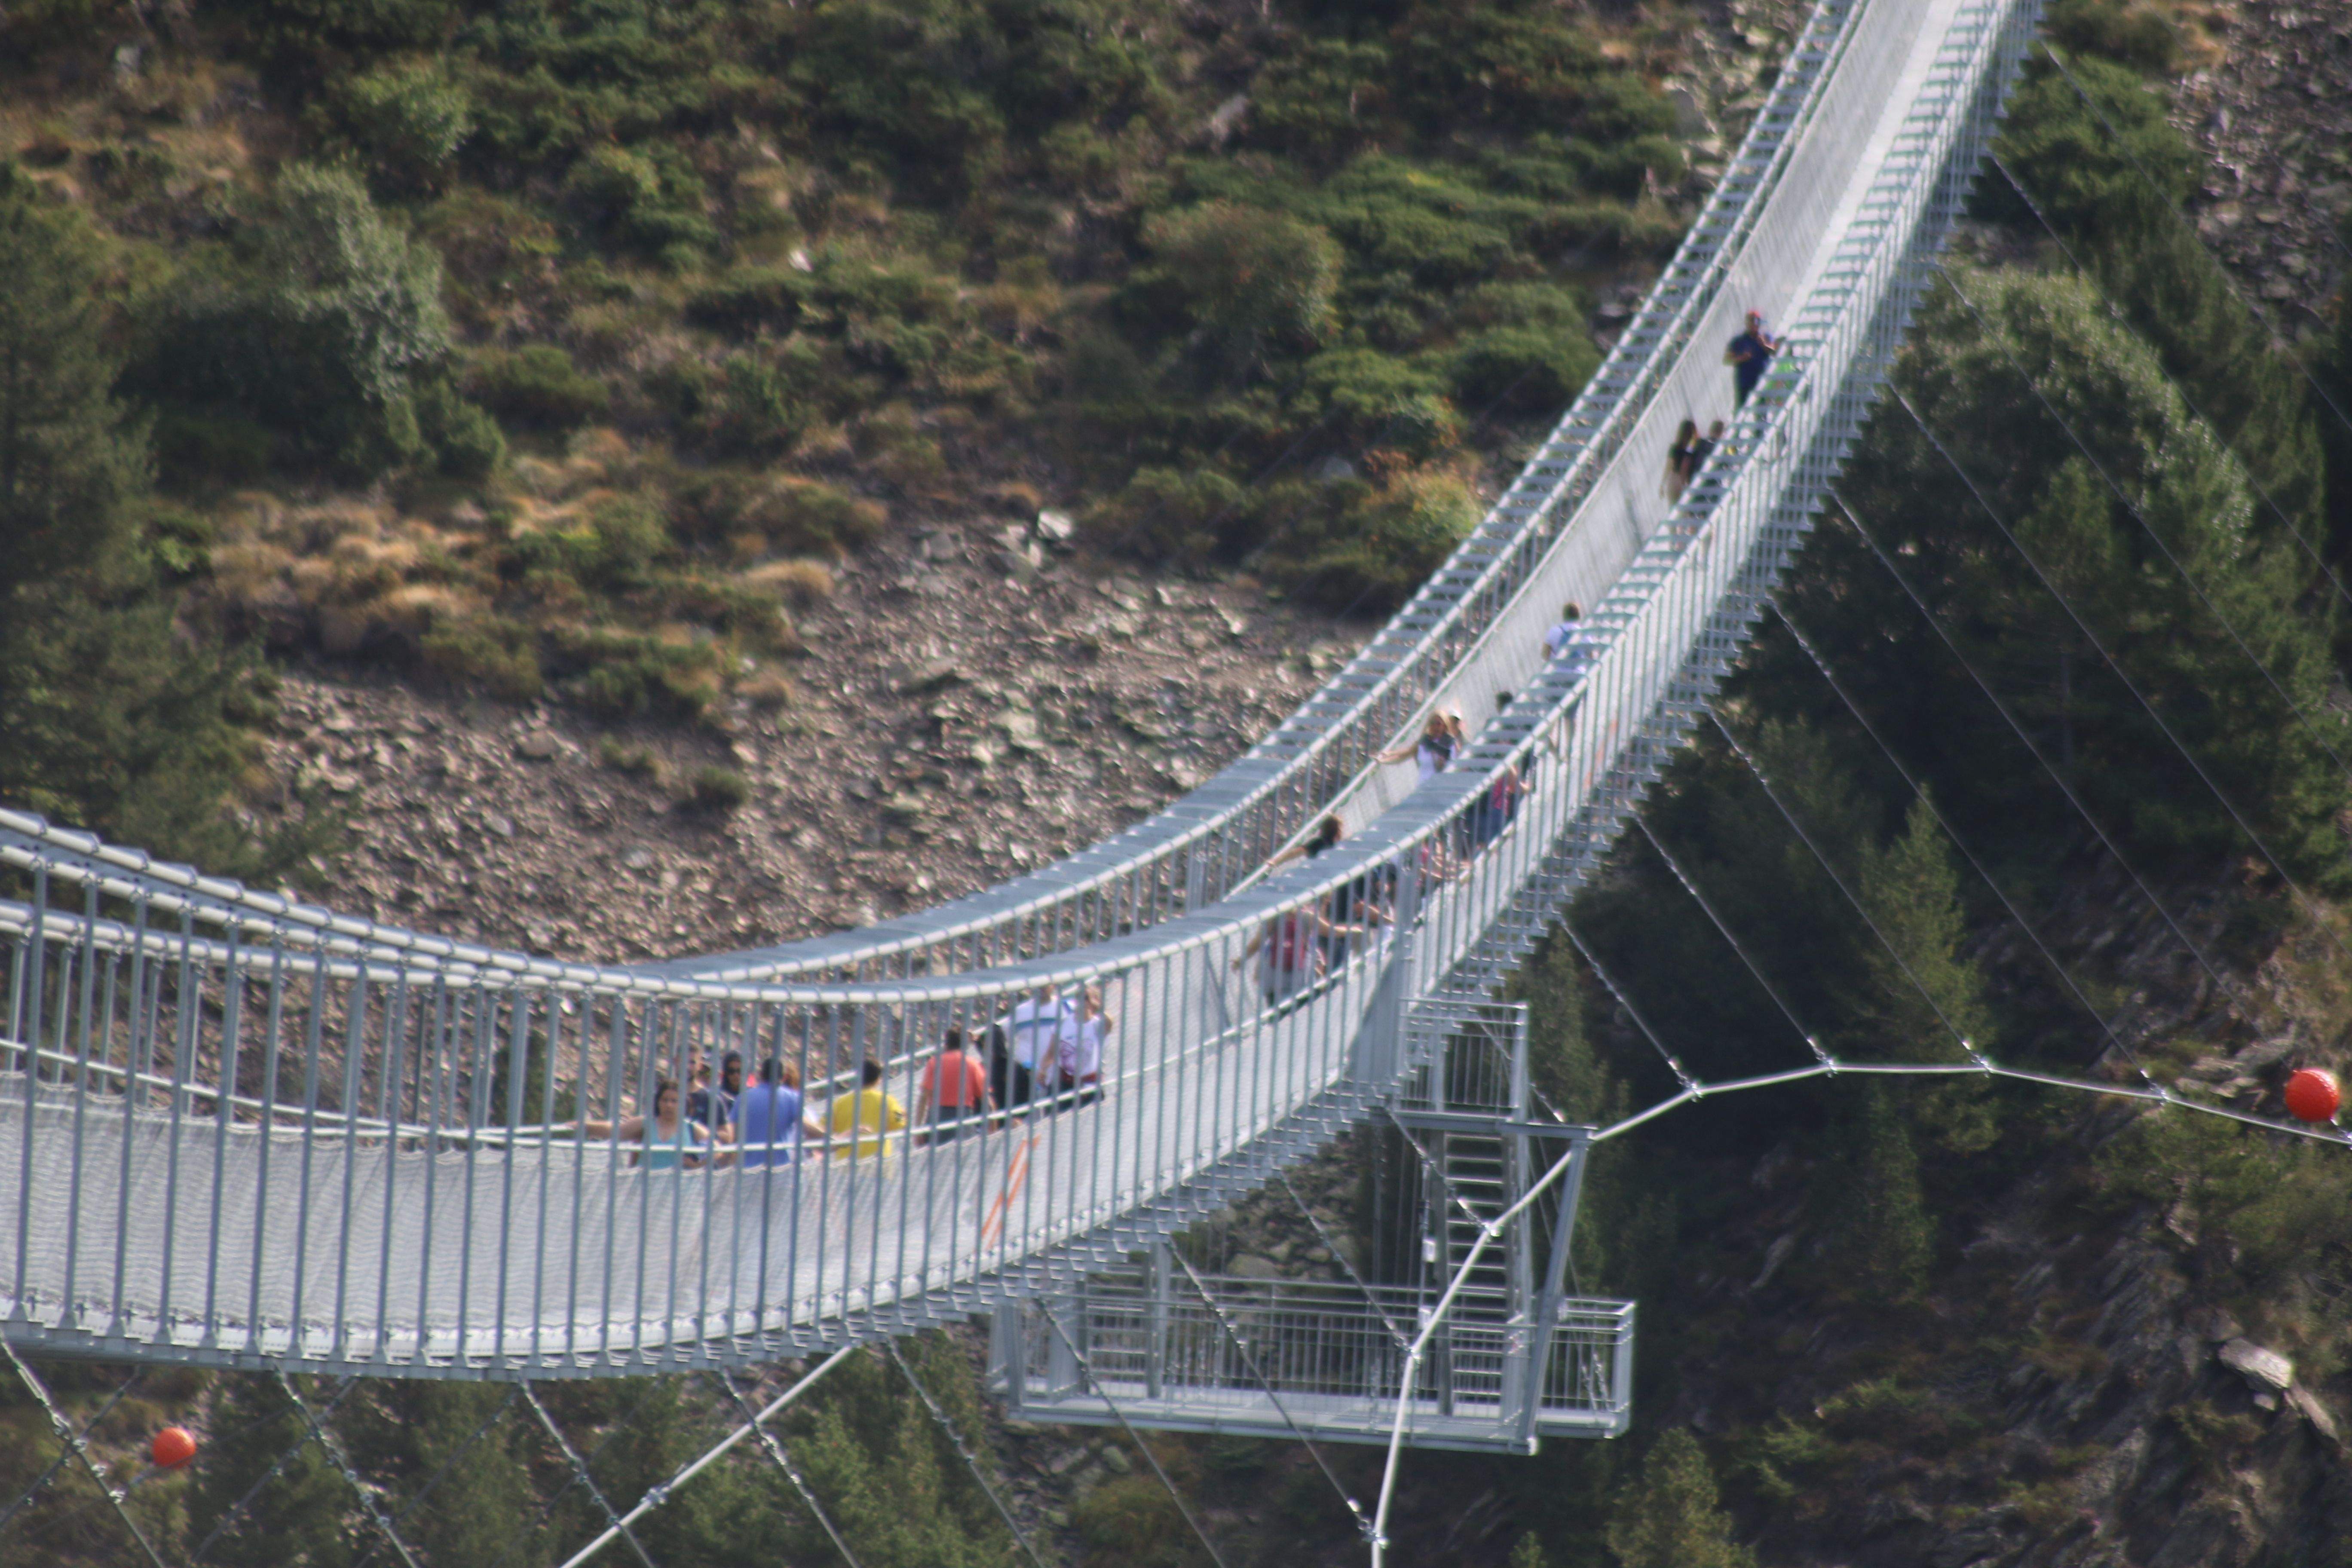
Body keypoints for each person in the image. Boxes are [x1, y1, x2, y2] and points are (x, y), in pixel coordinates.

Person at [583, 1078, 714, 1171]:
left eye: (674, 1101)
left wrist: (698, 1166)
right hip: (645, 1193)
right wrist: (583, 1126)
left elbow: (718, 1151)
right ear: (658, 1102)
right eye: (665, 1100)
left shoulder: (692, 1129)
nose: (669, 1105)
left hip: (678, 1196)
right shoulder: (645, 1124)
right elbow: (614, 1130)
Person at [733, 1056, 825, 1168]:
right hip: (779, 1169)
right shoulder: (792, 1098)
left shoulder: (743, 1098)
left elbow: (733, 1133)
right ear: (784, 1077)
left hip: (747, 1169)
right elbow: (806, 1126)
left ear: (761, 1075)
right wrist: (831, 1139)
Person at [917, 1025, 993, 1143]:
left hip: (937, 1120)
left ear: (946, 1043)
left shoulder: (935, 1063)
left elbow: (923, 1098)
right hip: (963, 1121)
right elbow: (988, 1103)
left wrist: (918, 1130)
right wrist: (993, 1132)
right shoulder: (972, 1064)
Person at [998, 984, 1069, 1111]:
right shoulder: (1021, 1011)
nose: (1041, 987)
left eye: (1045, 984)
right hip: (1029, 1076)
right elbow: (1002, 1037)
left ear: (1053, 985)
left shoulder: (1066, 1008)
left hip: (1058, 1075)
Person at [827, 1058, 907, 1161]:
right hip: (879, 1163)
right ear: (879, 1079)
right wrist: (904, 1115)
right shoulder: (888, 1101)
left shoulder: (840, 1103)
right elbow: (900, 1125)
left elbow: (823, 1129)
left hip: (846, 1166)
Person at [1049, 986, 1114, 1109]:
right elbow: (1051, 1052)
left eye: (1086, 998)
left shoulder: (1097, 1025)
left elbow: (1110, 1023)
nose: (1082, 1001)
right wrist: (1043, 1070)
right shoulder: (1065, 1023)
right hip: (1066, 1083)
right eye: (1079, 997)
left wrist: (1098, 1008)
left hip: (1090, 1085)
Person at [1379, 713, 1457, 783]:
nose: (1435, 727)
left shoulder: (1450, 742)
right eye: (1432, 724)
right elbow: (1406, 754)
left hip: (1445, 786)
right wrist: (1385, 758)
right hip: (1425, 786)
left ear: (1444, 726)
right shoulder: (1425, 742)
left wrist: (1442, 765)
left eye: (1438, 724)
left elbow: (1453, 764)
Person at [1724, 310, 1778, 406]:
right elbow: (1727, 360)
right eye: (1752, 321)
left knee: (1762, 408)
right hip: (1745, 380)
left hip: (1762, 378)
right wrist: (1741, 358)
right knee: (1742, 406)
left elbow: (1776, 352)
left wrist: (1764, 345)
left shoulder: (1766, 337)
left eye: (1756, 321)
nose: (1754, 324)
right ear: (1747, 323)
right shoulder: (1739, 341)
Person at [687, 1050, 741, 1137]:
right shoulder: (676, 1096)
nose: (705, 1077)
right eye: (702, 1073)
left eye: (709, 1073)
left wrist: (705, 1135)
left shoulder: (724, 1101)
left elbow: (729, 1136)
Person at [1269, 814, 1344, 870]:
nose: (1341, 832)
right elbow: (1297, 852)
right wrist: (1277, 861)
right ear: (1335, 831)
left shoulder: (1340, 845)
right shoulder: (1320, 843)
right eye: (1340, 829)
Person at [1544, 603, 1596, 681]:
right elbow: (1592, 657)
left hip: (1559, 675)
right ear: (1579, 616)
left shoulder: (1554, 631)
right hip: (1578, 675)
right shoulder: (1584, 633)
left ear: (1564, 615)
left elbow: (1545, 655)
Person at [1663, 417, 1700, 502]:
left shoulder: (1675, 447)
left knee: (1673, 507)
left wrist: (1663, 483)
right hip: (1685, 479)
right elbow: (1687, 463)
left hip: (1674, 479)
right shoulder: (1691, 448)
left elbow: (1669, 465)